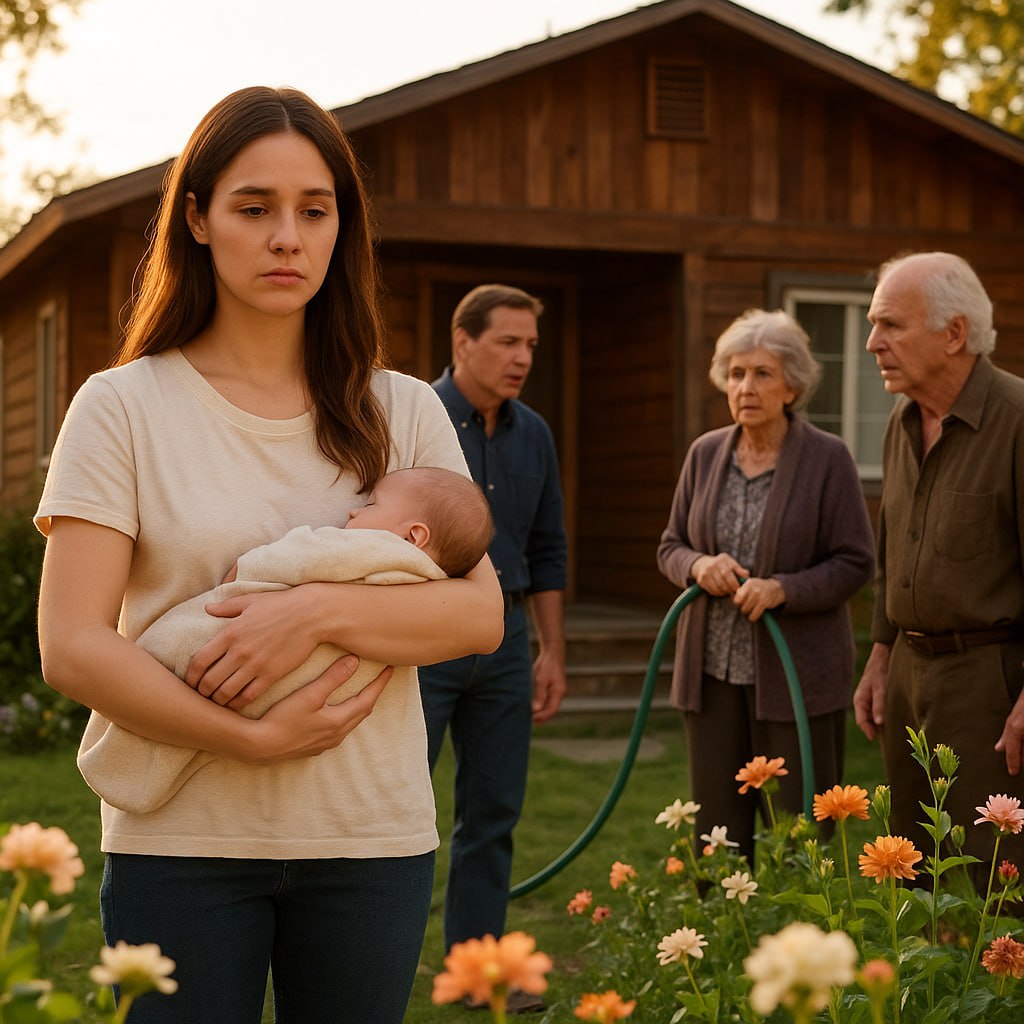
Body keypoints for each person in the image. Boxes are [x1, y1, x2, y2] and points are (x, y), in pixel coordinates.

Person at [35, 86, 504, 1024]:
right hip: (179, 844)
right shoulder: (120, 407)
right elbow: (73, 645)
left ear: (341, 229)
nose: (287, 236)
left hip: (370, 840)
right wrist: (250, 737)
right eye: (255, 208)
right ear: (199, 219)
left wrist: (314, 610)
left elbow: (477, 614)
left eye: (314, 210)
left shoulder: (405, 409)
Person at [78, 466, 494, 815]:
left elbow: (302, 554)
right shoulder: (429, 580)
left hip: (239, 650)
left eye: (370, 506)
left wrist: (247, 570)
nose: (353, 511)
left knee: (180, 653)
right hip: (328, 741)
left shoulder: (361, 549)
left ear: (414, 536)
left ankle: (127, 756)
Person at [657, 309, 875, 862]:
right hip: (712, 677)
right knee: (717, 839)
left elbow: (855, 562)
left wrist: (783, 589)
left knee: (803, 841)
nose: (745, 387)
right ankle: (722, 941)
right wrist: (696, 566)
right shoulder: (706, 454)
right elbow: (670, 546)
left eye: (762, 374)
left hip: (797, 679)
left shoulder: (828, 459)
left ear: (793, 385)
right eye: (735, 374)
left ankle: (802, 947)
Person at [420, 283, 567, 1013]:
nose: (522, 357)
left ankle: (477, 974)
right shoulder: (413, 419)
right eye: (508, 342)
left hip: (506, 639)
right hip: (422, 632)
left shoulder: (533, 433)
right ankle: (370, 959)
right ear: (463, 342)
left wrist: (551, 650)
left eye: (531, 345)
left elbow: (547, 548)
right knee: (398, 807)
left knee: (494, 811)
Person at [853, 251, 1024, 877]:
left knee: (990, 878)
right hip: (907, 676)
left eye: (891, 325)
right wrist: (879, 654)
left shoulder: (1017, 421)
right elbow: (890, 557)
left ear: (954, 334)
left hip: (989, 686)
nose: (873, 343)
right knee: (911, 867)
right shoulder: (900, 423)